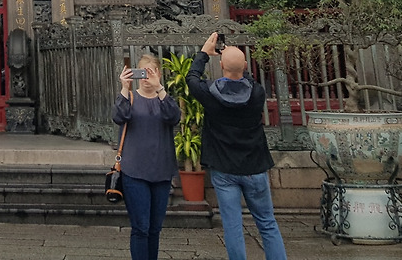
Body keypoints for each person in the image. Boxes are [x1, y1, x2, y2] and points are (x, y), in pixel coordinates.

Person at [186, 32, 287, 260]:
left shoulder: (211, 94)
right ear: (245, 66)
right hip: (255, 167)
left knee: (232, 226)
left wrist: (203, 54)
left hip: (224, 169)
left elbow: (192, 78)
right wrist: (236, 60)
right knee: (267, 222)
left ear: (221, 66)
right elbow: (247, 79)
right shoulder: (257, 93)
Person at [111, 52, 182, 260]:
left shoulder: (164, 99)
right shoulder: (131, 98)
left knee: (155, 228)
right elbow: (119, 116)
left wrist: (160, 88)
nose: (145, 77)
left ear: (159, 73)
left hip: (161, 170)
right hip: (134, 171)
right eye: (142, 72)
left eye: (150, 72)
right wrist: (125, 88)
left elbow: (174, 117)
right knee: (141, 227)